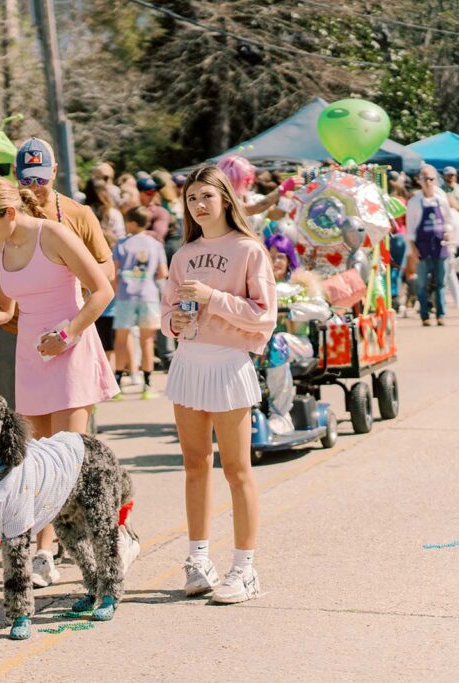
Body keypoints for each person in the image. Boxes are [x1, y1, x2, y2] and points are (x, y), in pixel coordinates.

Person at [0, 136, 114, 588]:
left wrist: (69, 333)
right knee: (33, 462)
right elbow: (3, 310)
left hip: (69, 346)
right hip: (30, 354)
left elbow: (103, 290)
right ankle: (43, 553)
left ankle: (104, 551)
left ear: (8, 212)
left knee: (72, 460)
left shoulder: (56, 231)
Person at [160, 164, 277, 605]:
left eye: (206, 197)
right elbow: (168, 311)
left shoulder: (249, 250)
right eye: (191, 199)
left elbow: (264, 314)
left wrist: (215, 300)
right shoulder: (183, 254)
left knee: (237, 469)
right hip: (189, 361)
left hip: (229, 363)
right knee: (194, 465)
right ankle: (198, 559)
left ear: (226, 199)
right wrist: (176, 320)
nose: (198, 205)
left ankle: (245, 568)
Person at [113, 206, 168, 400]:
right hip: (148, 295)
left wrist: (115, 289)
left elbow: (114, 271)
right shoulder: (156, 245)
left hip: (125, 295)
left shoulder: (121, 244)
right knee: (147, 340)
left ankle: (118, 383)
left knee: (121, 340)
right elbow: (162, 272)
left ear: (133, 222)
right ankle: (147, 385)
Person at [406, 165, 455, 326]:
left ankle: (441, 314)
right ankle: (425, 315)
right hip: (421, 247)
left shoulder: (441, 200)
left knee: (441, 282)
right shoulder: (414, 203)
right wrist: (413, 249)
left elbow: (448, 221)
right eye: (425, 178)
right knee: (422, 284)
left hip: (440, 246)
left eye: (431, 179)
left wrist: (447, 232)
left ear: (435, 180)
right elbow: (411, 228)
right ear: (419, 180)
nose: (428, 182)